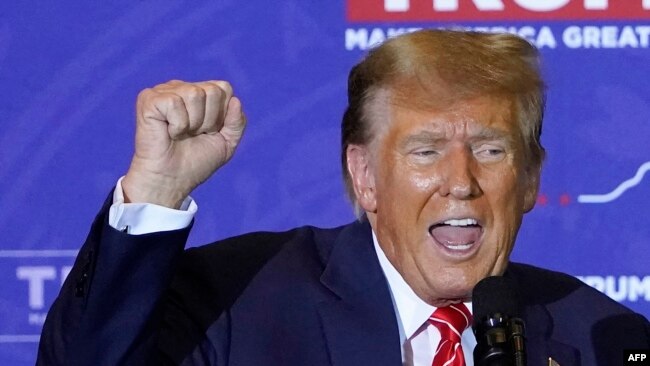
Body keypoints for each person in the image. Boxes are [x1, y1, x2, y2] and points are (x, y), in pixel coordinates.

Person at [37, 29, 649, 366]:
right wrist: (157, 191)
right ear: (365, 177)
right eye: (426, 150)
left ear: (532, 180)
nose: (461, 181)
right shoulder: (236, 301)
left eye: (491, 150)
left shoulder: (607, 336)